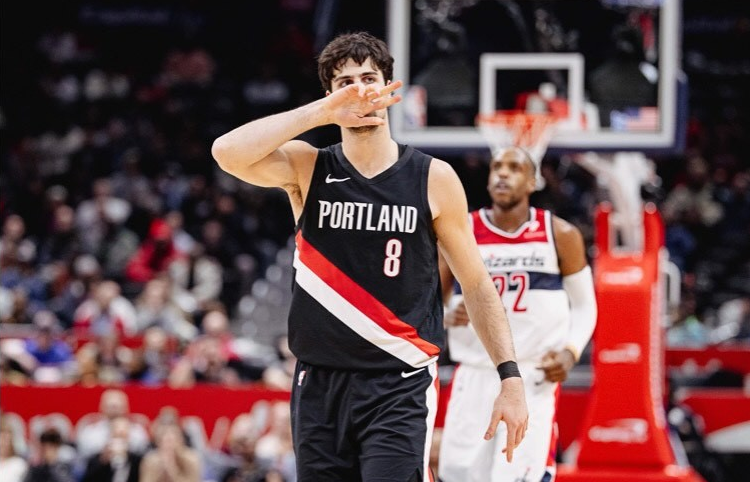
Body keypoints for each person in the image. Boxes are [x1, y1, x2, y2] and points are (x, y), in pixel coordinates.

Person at [212, 31, 528, 482]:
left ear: (389, 86)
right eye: (345, 83)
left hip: (399, 383)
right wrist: (322, 112)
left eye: (368, 78)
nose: (359, 91)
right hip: (319, 382)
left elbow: (476, 283)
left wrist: (510, 377)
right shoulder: (308, 167)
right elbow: (226, 153)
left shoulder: (433, 178)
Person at [438, 147, 598, 482]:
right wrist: (447, 312)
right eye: (497, 167)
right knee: (457, 475)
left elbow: (585, 305)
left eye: (514, 168)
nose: (503, 174)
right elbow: (432, 298)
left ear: (532, 182)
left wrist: (570, 352)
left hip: (531, 374)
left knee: (518, 475)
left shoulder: (560, 234)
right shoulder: (462, 231)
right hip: (474, 372)